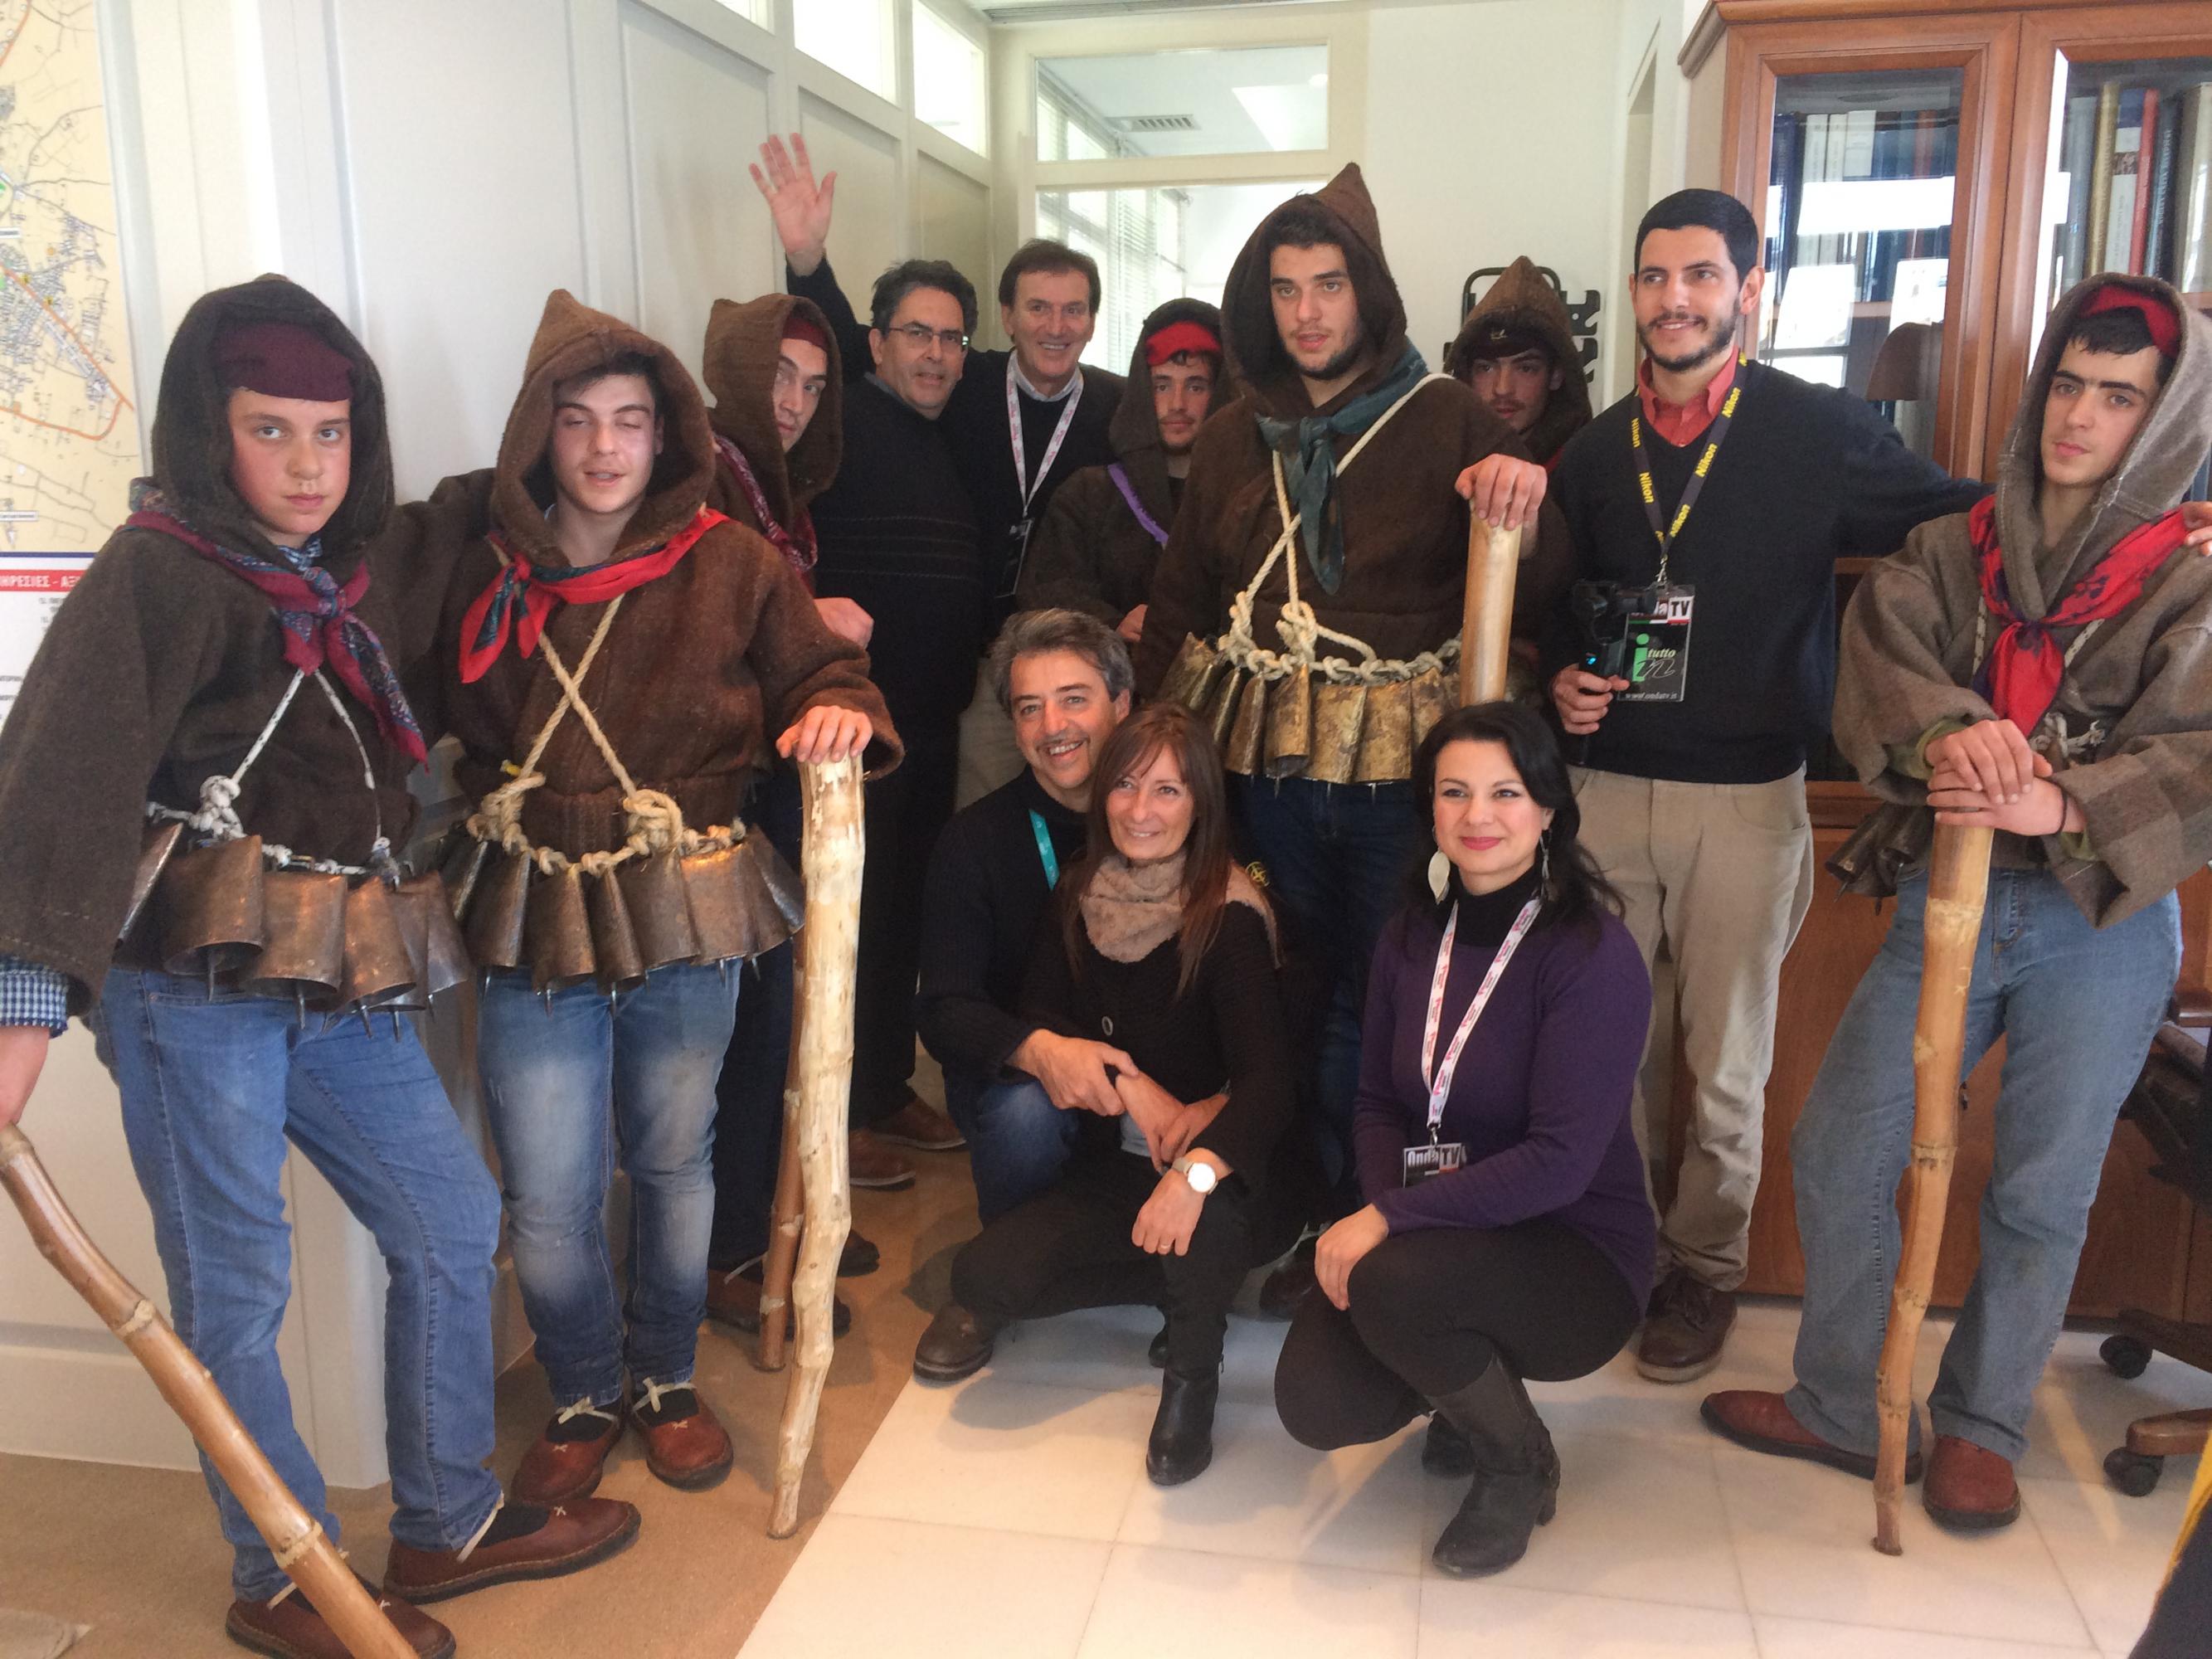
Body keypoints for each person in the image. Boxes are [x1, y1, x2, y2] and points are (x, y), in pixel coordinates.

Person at [0, 276, 637, 1659]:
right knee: (236, 1291)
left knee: (449, 1220)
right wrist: (23, 1013)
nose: (306, 465)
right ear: (208, 429)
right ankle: (281, 1576)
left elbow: (484, 502)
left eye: (331, 433)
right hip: (190, 991)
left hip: (337, 969)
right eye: (270, 430)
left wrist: (580, 380)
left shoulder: (352, 569)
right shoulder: (158, 569)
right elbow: (59, 777)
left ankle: (446, 1518)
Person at [1704, 275, 2212, 1532]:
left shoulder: (2190, 574)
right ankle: (1841, 1400)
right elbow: (1881, 653)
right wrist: (1949, 732)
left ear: (2159, 416)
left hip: (2099, 917)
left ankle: (1983, 1425)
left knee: (2040, 1187)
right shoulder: (1957, 546)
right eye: (2067, 386)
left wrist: (2065, 798)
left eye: (2116, 397)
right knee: (1840, 1145)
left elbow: (2201, 751)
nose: (2078, 417)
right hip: (1953, 891)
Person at [1507, 188, 1990, 1384]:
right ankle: (1613, 1247)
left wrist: (2153, 526)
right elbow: (1552, 609)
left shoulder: (1816, 432)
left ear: (1748, 290)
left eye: (1701, 276)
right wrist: (1560, 680)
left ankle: (1703, 1269)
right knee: (1602, 1050)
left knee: (1724, 1062)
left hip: (1750, 798)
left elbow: (1969, 520)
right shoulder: (1591, 452)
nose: (1674, 298)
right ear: (1634, 291)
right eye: (1654, 276)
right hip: (1605, 790)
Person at [438, 290, 893, 1511]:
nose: (604, 448)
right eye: (577, 420)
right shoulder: (481, 564)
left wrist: (837, 708)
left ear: (665, 433)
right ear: (539, 431)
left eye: (629, 421)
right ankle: (584, 1389)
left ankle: (664, 1377)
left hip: (688, 894)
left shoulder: (730, 561)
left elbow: (823, 666)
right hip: (536, 895)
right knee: (548, 1187)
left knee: (675, 1161)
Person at [1134, 163, 1559, 1243]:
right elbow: (1182, 599)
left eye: (1327, 285)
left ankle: (1378, 1216)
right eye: (1285, 289)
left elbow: (1545, 575)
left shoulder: (1448, 415)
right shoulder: (1231, 434)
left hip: (1397, 782)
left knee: (1391, 992)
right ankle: (1303, 1205)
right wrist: (1143, 752)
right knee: (1285, 987)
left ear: (1366, 292)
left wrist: (1525, 495)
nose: (1307, 312)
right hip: (1267, 774)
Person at [1272, 701, 1653, 1576]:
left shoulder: (1591, 953)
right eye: (1454, 792)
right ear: (1430, 809)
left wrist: (1389, 1222)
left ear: (1548, 807)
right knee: (1316, 1402)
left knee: (1394, 1282)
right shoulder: (1410, 934)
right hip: (1440, 1229)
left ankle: (1518, 1461)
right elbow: (1377, 1099)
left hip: (1574, 1249)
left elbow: (1560, 1164)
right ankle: (1463, 1383)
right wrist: (1392, 1210)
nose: (1478, 815)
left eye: (1504, 792)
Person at [942, 704, 1294, 1486]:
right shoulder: (1081, 891)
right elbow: (1042, 1012)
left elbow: (1269, 1083)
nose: (1140, 811)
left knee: (1203, 1225)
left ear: (1200, 804)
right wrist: (1132, 1085)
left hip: (1225, 1164)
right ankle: (1177, 1284)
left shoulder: (1228, 915)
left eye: (1167, 790)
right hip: (1118, 1164)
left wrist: (1194, 1173)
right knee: (984, 1277)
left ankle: (1192, 1378)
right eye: (1126, 785)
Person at [752, 133, 1124, 806]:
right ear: (1009, 318)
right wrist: (807, 262)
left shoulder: (1115, 407)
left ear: (1093, 321)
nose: (1055, 325)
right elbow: (849, 353)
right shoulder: (963, 384)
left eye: (1072, 309)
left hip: (1023, 670)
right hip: (898, 690)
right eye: (1037, 307)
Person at [695, 290, 878, 1335]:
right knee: (749, 1030)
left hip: (767, 779)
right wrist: (812, 618)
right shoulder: (703, 477)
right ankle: (733, 1247)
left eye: (813, 384)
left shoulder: (775, 494)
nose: (796, 401)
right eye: (779, 376)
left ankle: (781, 1216)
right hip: (718, 797)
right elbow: (706, 628)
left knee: (781, 1019)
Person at [788, 252, 985, 1192]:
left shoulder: (950, 432)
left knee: (903, 916)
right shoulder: (839, 423)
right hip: (855, 730)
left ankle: (884, 1087)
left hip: (933, 722)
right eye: (916, 333)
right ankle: (836, 1120)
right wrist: (809, 263)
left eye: (951, 337)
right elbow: (816, 351)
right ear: (875, 344)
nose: (936, 353)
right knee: (847, 925)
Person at [910, 609, 1133, 1378]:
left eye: (1074, 699)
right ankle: (996, 1283)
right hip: (1033, 1079)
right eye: (1029, 708)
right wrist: (1038, 1052)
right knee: (1024, 1111)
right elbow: (943, 1007)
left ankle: (1169, 1265)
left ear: (1121, 704)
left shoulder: (1169, 815)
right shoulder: (975, 840)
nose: (1053, 727)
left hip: (1155, 1064)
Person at [1017, 299, 1228, 644]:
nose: (1177, 403)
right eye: (1162, 385)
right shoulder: (1088, 496)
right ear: (1143, 392)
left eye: (1195, 386)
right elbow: (1047, 592)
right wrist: (1109, 622)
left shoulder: (1246, 497)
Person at [1446, 257, 1593, 469]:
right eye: (1486, 368)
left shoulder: (1590, 471)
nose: (1502, 389)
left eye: (1525, 369)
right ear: (1466, 375)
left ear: (1556, 375)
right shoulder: (1438, 465)